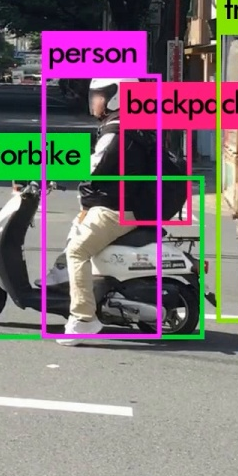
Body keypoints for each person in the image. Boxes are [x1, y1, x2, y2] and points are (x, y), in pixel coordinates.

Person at [59, 77, 161, 345]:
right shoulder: (130, 125)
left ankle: (83, 319)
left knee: (77, 251)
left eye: (99, 95)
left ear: (115, 97)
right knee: (76, 232)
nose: (93, 101)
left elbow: (93, 166)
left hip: (117, 209)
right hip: (124, 204)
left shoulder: (117, 130)